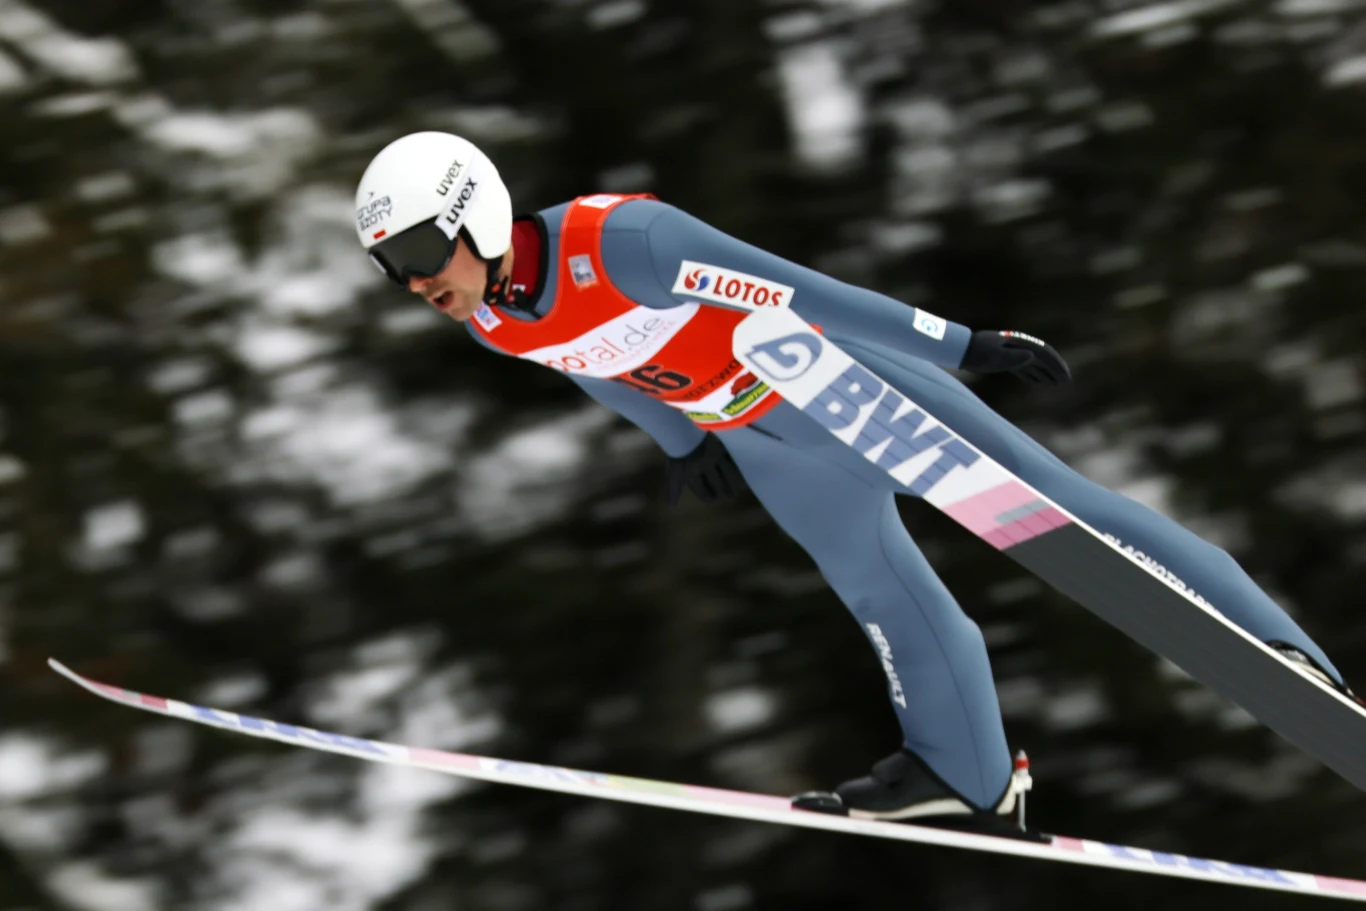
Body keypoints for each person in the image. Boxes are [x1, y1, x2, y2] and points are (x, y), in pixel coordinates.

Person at [353, 131, 1353, 826]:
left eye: (416, 250)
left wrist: (964, 343)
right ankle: (966, 774)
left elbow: (805, 291)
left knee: (1061, 512)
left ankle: (1277, 649)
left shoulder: (627, 243)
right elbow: (592, 367)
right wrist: (678, 441)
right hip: (759, 436)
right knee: (876, 588)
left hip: (841, 386)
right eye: (388, 268)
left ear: (470, 212)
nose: (413, 281)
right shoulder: (493, 316)